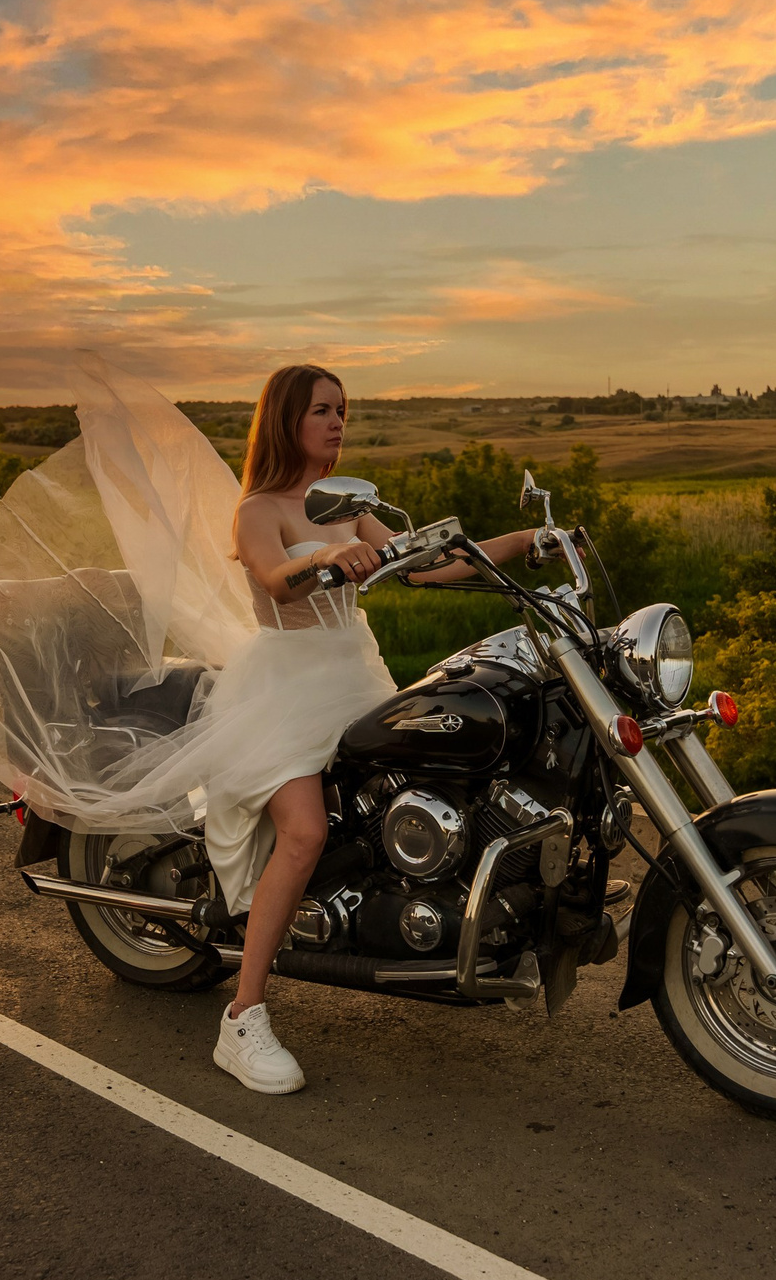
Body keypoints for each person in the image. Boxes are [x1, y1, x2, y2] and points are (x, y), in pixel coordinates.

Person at [209, 364, 549, 1094]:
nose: (337, 423)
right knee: (302, 831)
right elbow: (273, 577)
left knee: (405, 790)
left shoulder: (345, 500)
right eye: (322, 410)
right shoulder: (260, 508)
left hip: (354, 677)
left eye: (343, 410)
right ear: (285, 419)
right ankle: (243, 1016)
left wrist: (528, 540)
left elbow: (429, 565)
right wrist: (328, 557)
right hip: (284, 689)